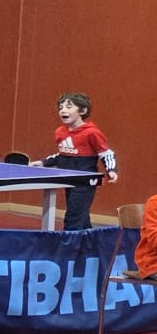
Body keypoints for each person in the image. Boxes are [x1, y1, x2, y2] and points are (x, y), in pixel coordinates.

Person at [34, 91, 116, 230]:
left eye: (68, 107)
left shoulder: (92, 132)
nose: (63, 110)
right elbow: (63, 154)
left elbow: (106, 153)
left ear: (82, 111)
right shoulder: (60, 132)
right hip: (69, 178)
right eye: (60, 107)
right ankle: (89, 242)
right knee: (81, 217)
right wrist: (44, 162)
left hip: (85, 181)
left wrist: (111, 170)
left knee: (73, 217)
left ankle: (69, 243)